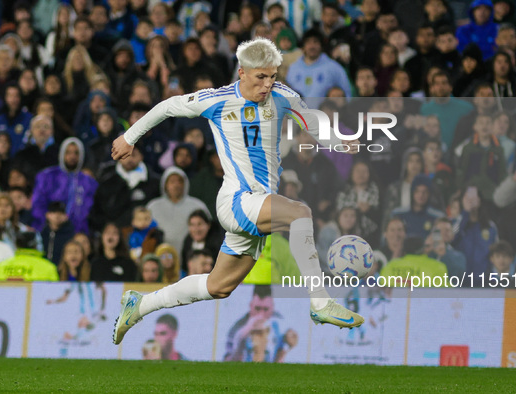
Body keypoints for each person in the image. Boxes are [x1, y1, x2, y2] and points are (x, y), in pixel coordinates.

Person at [112, 37, 363, 346]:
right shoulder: (217, 100)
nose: (268, 84)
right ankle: (321, 303)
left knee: (218, 286)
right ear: (242, 73)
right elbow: (168, 106)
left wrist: (340, 142)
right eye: (261, 77)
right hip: (237, 201)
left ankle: (141, 304)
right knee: (300, 214)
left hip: (260, 205)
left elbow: (312, 123)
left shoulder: (283, 96)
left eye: (272, 76)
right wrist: (129, 136)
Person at [224, 285, 298, 362]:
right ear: (251, 305)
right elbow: (227, 361)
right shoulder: (237, 328)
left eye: (266, 309)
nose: (261, 315)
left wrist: (287, 347)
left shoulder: (280, 325)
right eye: (257, 308)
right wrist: (243, 335)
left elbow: (279, 360)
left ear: (272, 307)